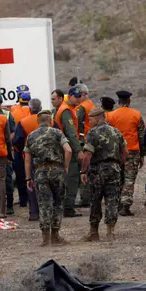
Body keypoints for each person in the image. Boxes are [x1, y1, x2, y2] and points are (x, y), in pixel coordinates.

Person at [24, 110, 72, 246]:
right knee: (58, 203)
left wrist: (28, 178)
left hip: (40, 172)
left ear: (37, 122)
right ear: (50, 121)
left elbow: (27, 159)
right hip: (57, 170)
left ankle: (45, 239)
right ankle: (55, 236)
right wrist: (65, 166)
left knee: (44, 204)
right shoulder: (57, 133)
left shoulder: (31, 136)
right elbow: (68, 150)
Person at [80, 109, 128, 241]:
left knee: (95, 200)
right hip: (114, 169)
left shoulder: (92, 133)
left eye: (90, 119)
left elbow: (88, 154)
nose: (89, 121)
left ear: (97, 118)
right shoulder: (115, 131)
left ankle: (94, 232)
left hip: (97, 170)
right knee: (112, 199)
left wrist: (83, 171)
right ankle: (110, 232)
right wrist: (119, 164)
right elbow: (125, 152)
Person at [107, 90, 145, 216]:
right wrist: (142, 154)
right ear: (129, 101)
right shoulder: (137, 115)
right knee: (129, 179)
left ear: (118, 102)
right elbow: (141, 136)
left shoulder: (110, 116)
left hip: (116, 152)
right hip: (132, 152)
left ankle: (117, 203)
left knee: (118, 178)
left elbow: (108, 135)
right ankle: (126, 205)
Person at [13, 98, 47, 221]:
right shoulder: (51, 121)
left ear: (30, 108)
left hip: (31, 157)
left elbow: (17, 141)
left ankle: (34, 212)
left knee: (31, 184)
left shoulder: (23, 122)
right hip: (49, 157)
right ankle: (48, 212)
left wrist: (23, 150)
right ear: (41, 108)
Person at [56, 85, 84, 217]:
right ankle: (68, 208)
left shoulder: (68, 109)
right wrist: (78, 150)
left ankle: (66, 206)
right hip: (68, 149)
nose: (79, 99)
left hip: (65, 147)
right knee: (72, 178)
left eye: (80, 96)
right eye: (77, 97)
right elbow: (71, 133)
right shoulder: (66, 111)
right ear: (70, 96)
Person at [9, 85, 32, 209]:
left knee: (20, 174)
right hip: (31, 147)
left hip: (18, 147)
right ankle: (32, 197)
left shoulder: (13, 110)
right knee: (31, 173)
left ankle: (23, 200)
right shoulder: (33, 111)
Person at [0, 92, 15, 215]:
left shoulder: (7, 115)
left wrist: (4, 142)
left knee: (7, 179)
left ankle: (10, 205)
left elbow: (13, 132)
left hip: (4, 151)